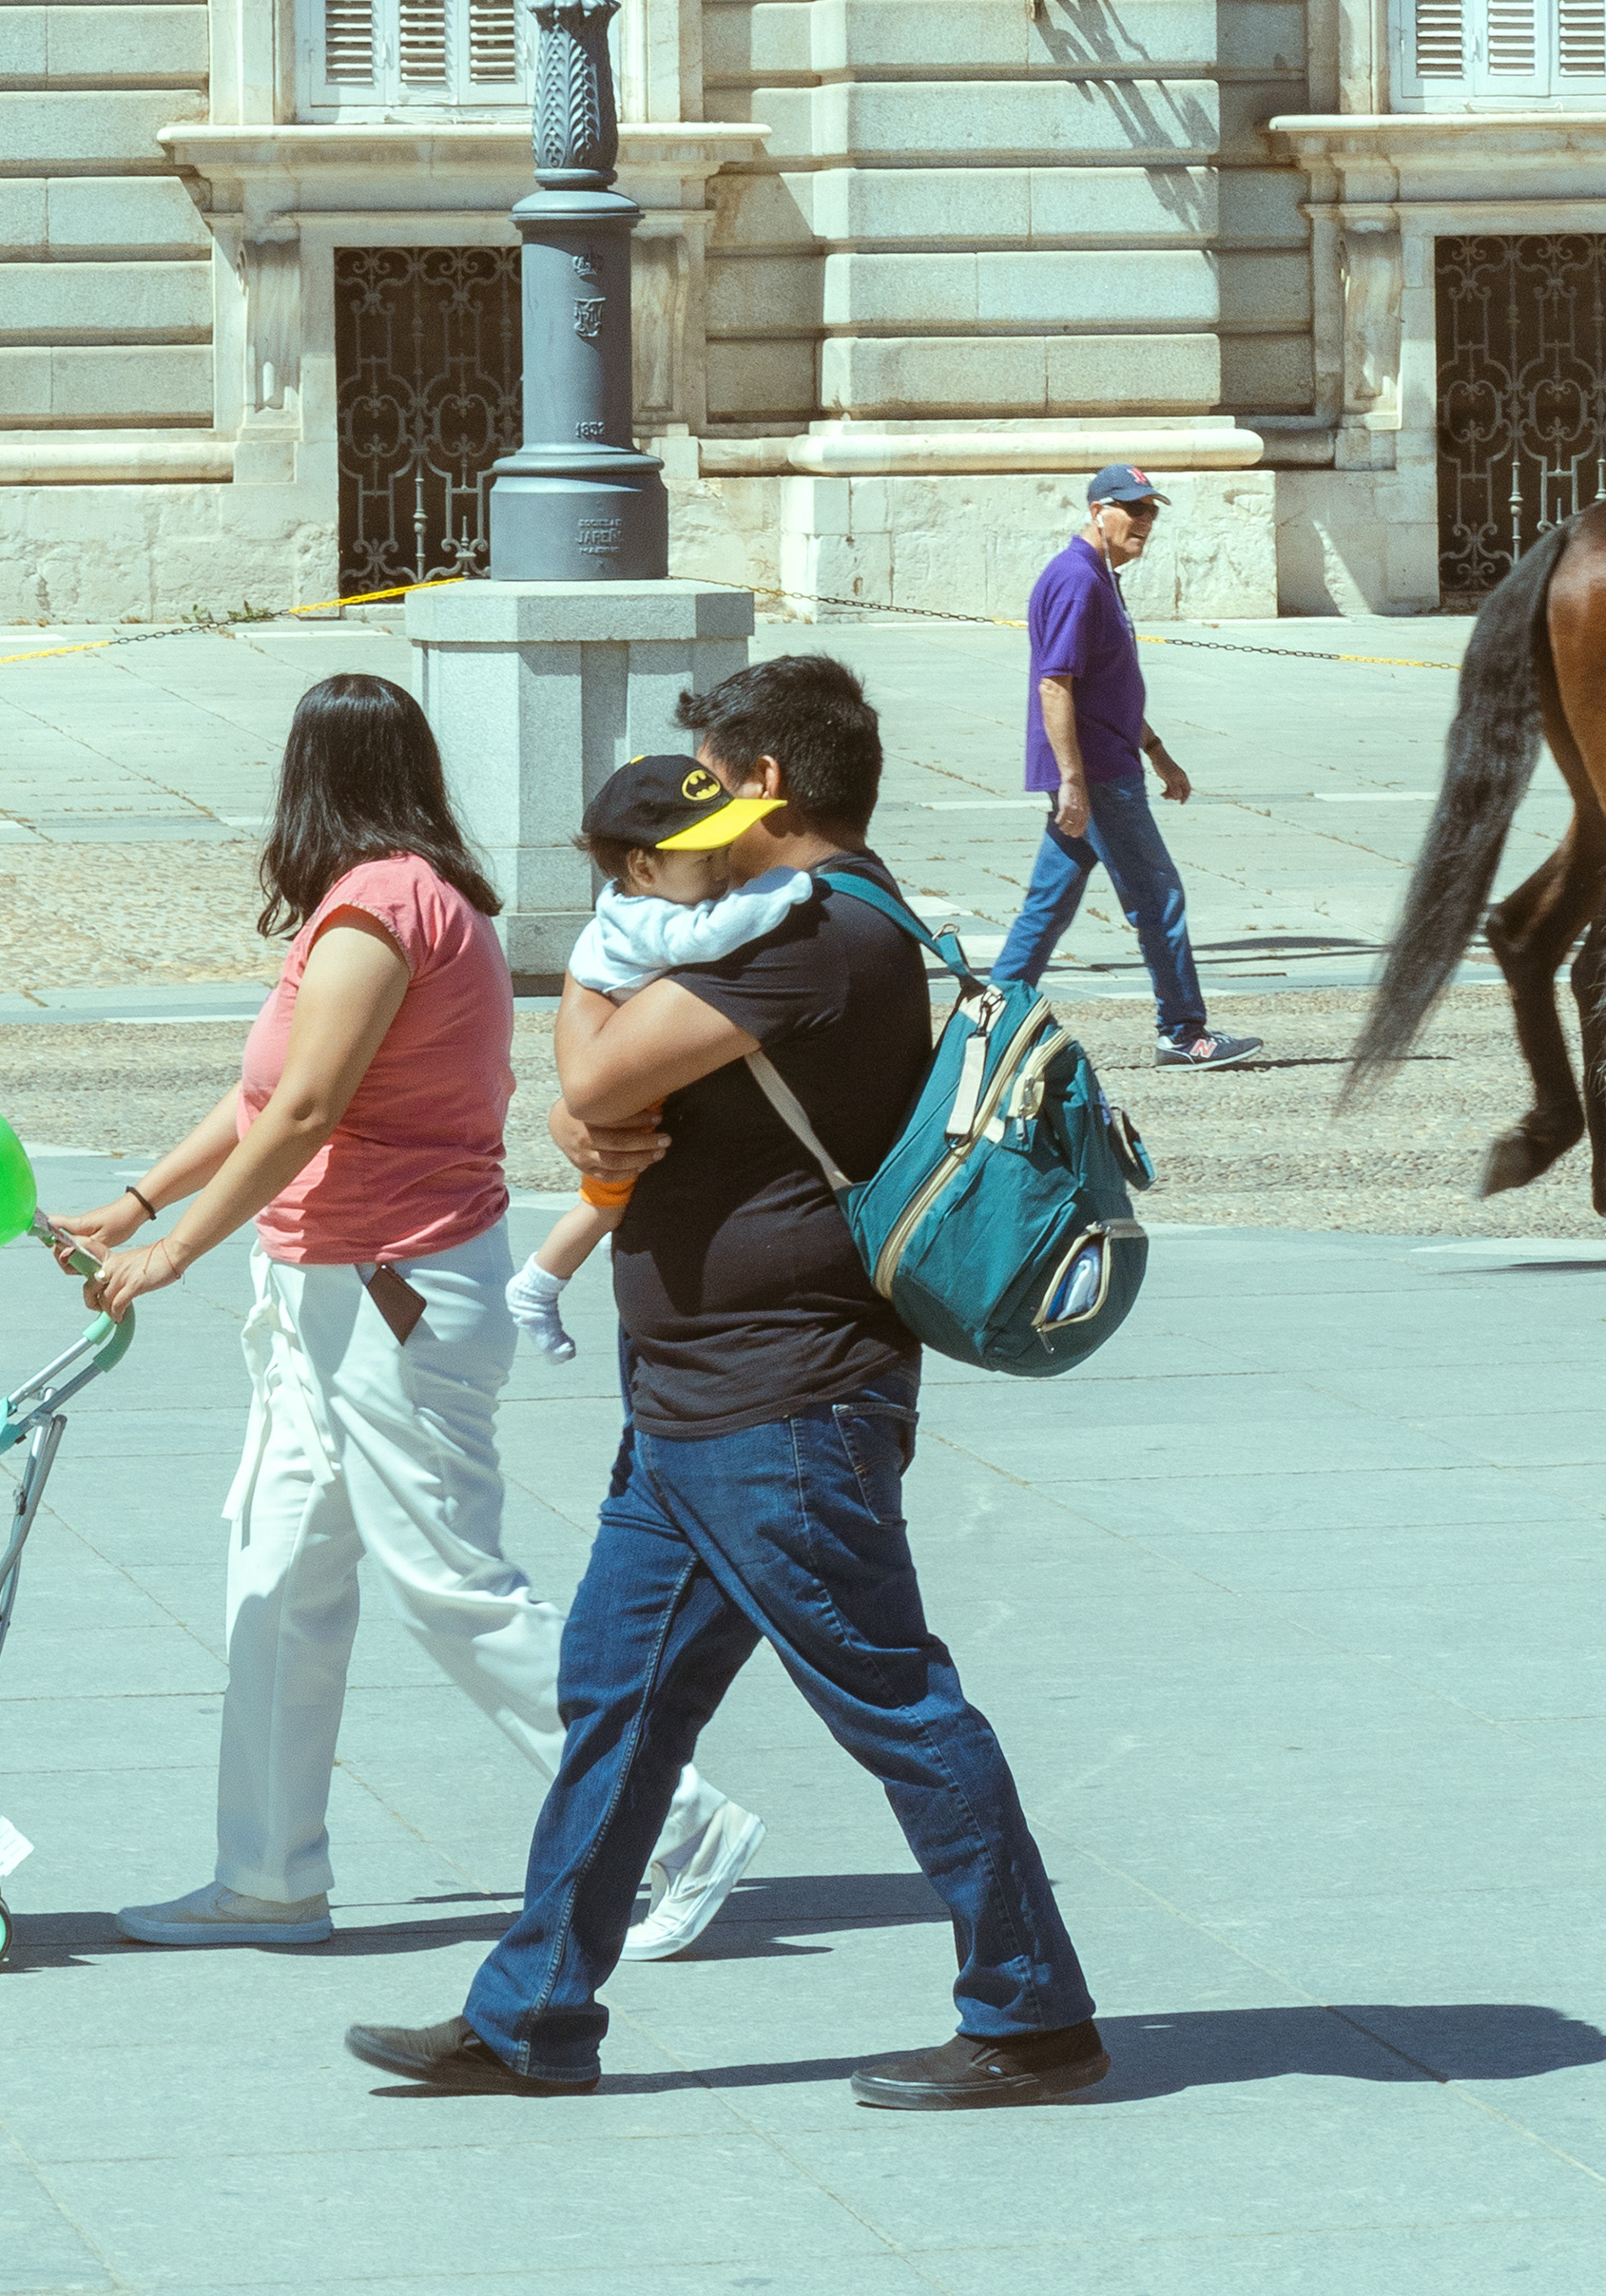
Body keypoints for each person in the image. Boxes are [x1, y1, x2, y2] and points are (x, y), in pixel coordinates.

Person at [344, 650, 1107, 2112]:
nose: (689, 805)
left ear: (762, 784)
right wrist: (607, 1097)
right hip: (702, 1401)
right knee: (616, 1700)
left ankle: (1034, 2013)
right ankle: (531, 2015)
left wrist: (593, 1029)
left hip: (783, 1404)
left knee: (894, 1700)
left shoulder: (817, 938)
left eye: (710, 775)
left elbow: (595, 1083)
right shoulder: (798, 927)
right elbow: (614, 1099)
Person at [49, 670, 754, 1960]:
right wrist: (137, 1200)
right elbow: (264, 1098)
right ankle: (266, 1876)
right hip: (331, 1290)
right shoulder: (376, 905)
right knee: (277, 1575)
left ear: (308, 779)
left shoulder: (381, 912)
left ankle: (680, 1821)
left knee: (452, 1589)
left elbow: (311, 1110)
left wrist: (177, 1251)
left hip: (392, 1293)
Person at [508, 758, 816, 1366]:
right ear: (644, 867)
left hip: (639, 1069)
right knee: (604, 1201)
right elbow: (708, 937)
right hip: (634, 1086)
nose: (724, 872)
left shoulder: (631, 899)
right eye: (705, 860)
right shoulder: (651, 917)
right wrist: (788, 883)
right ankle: (540, 1282)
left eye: (724, 852)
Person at [996, 461, 1261, 1068]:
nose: (1145, 521)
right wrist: (1071, 782)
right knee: (1158, 897)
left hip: (1108, 763)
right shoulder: (1077, 580)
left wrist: (1159, 752)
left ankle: (988, 1016)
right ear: (1098, 512)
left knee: (1048, 905)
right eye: (1133, 509)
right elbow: (1055, 687)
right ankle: (1184, 1031)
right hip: (1098, 776)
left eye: (1151, 511)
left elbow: (1106, 690)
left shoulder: (1100, 577)